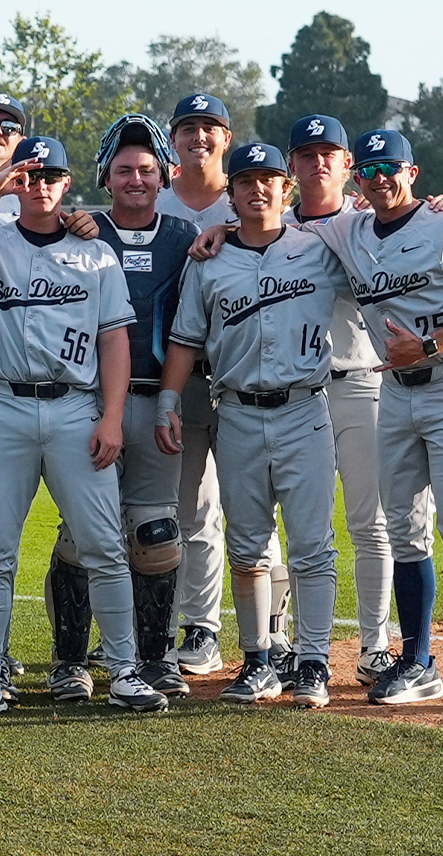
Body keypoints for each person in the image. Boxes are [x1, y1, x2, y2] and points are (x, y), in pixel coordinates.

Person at [0, 138, 167, 717]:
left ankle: (125, 671)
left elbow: (114, 339)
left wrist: (112, 416)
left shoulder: (96, 252)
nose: (39, 185)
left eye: (50, 175)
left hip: (74, 408)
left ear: (66, 181)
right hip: (3, 405)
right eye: (29, 175)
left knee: (105, 546)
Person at [308, 131, 443, 710]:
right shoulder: (350, 228)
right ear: (357, 176)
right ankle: (418, 660)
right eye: (368, 169)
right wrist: (218, 230)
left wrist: (426, 345)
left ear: (411, 171)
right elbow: (282, 227)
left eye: (389, 167)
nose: (379, 178)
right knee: (403, 530)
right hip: (393, 392)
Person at [157, 142, 347, 708]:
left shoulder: (319, 248)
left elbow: (379, 241)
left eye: (268, 180)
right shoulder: (210, 258)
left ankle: (313, 662)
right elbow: (185, 338)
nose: (258, 190)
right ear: (231, 193)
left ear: (286, 188)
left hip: (305, 409)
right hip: (235, 411)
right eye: (246, 181)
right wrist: (169, 400)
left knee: (312, 544)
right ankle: (258, 660)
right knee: (247, 546)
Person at [40, 115, 197, 701]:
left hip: (157, 397)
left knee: (155, 531)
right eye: (125, 169)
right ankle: (70, 661)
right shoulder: (79, 231)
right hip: (88, 401)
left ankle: (155, 657)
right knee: (83, 533)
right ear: (105, 175)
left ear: (165, 177)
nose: (136, 179)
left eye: (147, 170)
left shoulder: (186, 237)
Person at [286, 114, 396, 683]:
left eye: (330, 152)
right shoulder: (271, 226)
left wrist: (442, 204)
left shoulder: (370, 223)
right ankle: (295, 645)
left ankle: (375, 645)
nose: (318, 162)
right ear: (292, 166)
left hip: (362, 381)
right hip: (297, 393)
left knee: (369, 522)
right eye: (307, 154)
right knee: (301, 526)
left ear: (347, 164)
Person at [156, 92, 241, 677]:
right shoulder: (152, 198)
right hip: (176, 376)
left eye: (210, 128)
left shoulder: (255, 199)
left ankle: (256, 633)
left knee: (251, 506)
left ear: (226, 138)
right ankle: (181, 625)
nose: (199, 138)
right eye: (189, 128)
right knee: (187, 506)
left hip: (240, 375)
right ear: (174, 137)